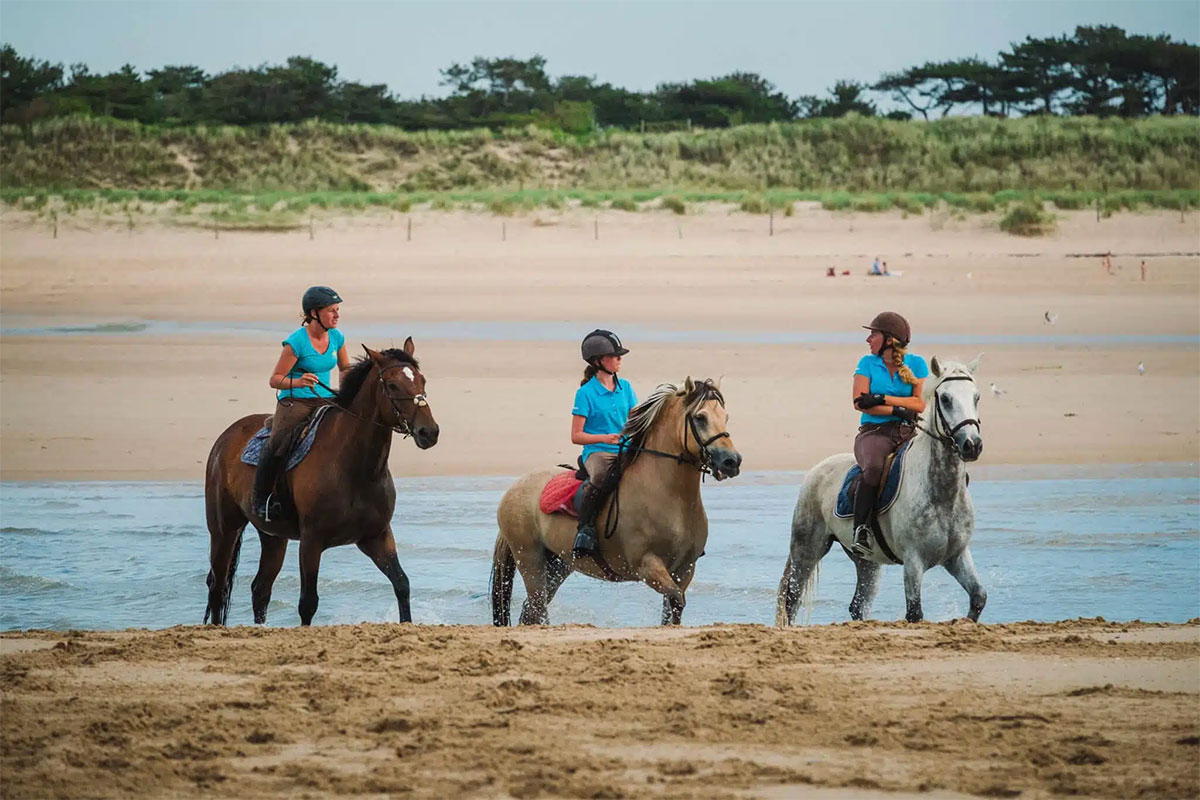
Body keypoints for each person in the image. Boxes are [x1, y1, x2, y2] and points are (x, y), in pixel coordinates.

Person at [251, 286, 351, 520]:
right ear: (314, 313)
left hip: (325, 398)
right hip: (295, 401)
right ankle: (261, 499)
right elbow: (275, 380)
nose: (337, 315)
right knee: (279, 442)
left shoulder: (337, 337)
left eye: (337, 310)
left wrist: (346, 394)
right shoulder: (296, 342)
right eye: (331, 311)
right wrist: (298, 381)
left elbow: (345, 368)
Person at [850, 312, 928, 556]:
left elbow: (920, 404)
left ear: (889, 339)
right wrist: (897, 408)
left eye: (873, 334)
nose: (868, 339)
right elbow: (860, 403)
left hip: (907, 431)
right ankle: (861, 528)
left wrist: (883, 398)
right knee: (873, 468)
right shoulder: (866, 363)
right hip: (874, 432)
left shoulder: (917, 364)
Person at [570, 329, 638, 560]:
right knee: (600, 478)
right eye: (615, 355)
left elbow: (635, 420)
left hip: (625, 449)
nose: (620, 359)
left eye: (620, 355)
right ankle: (585, 530)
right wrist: (604, 438)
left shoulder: (626, 387)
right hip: (597, 451)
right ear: (598, 361)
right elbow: (576, 436)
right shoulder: (585, 393)